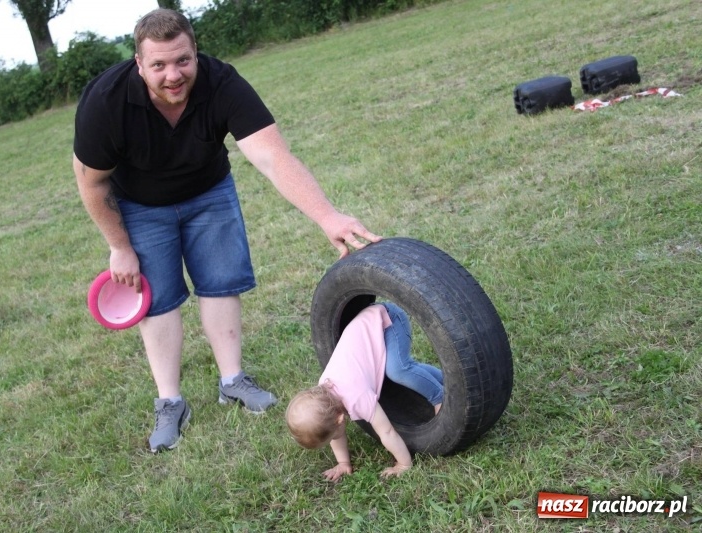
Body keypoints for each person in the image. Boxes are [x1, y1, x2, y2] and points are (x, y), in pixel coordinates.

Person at [72, 8, 381, 453]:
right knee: (157, 299)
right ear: (139, 64)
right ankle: (170, 402)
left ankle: (232, 380)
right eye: (158, 65)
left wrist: (327, 216)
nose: (173, 75)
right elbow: (92, 182)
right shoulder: (107, 101)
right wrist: (118, 246)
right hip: (139, 204)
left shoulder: (222, 83)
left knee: (220, 283)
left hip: (208, 191)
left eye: (182, 60)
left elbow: (274, 157)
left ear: (196, 52)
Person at [285, 303, 443, 481]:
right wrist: (343, 463)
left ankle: (439, 396)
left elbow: (387, 432)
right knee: (397, 371)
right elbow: (336, 436)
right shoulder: (324, 391)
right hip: (366, 325)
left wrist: (403, 464)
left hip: (386, 321)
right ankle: (444, 379)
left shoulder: (357, 397)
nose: (333, 440)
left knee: (398, 370)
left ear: (340, 419)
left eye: (331, 437)